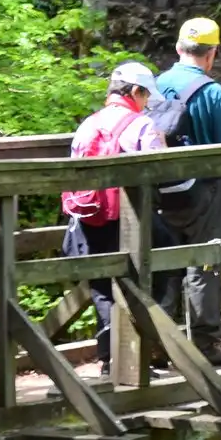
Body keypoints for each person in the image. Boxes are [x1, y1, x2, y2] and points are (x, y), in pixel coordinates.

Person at [61, 62, 178, 375]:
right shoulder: (141, 125)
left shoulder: (87, 124)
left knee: (102, 285)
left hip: (89, 217)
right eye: (144, 97)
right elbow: (161, 171)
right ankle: (141, 356)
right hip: (129, 220)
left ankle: (109, 359)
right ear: (136, 92)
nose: (145, 104)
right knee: (154, 270)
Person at [154, 17, 221, 365]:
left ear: (178, 48)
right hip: (203, 189)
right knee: (205, 262)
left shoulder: (154, 86)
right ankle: (204, 343)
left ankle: (159, 342)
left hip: (160, 188)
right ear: (212, 53)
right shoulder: (213, 92)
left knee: (163, 263)